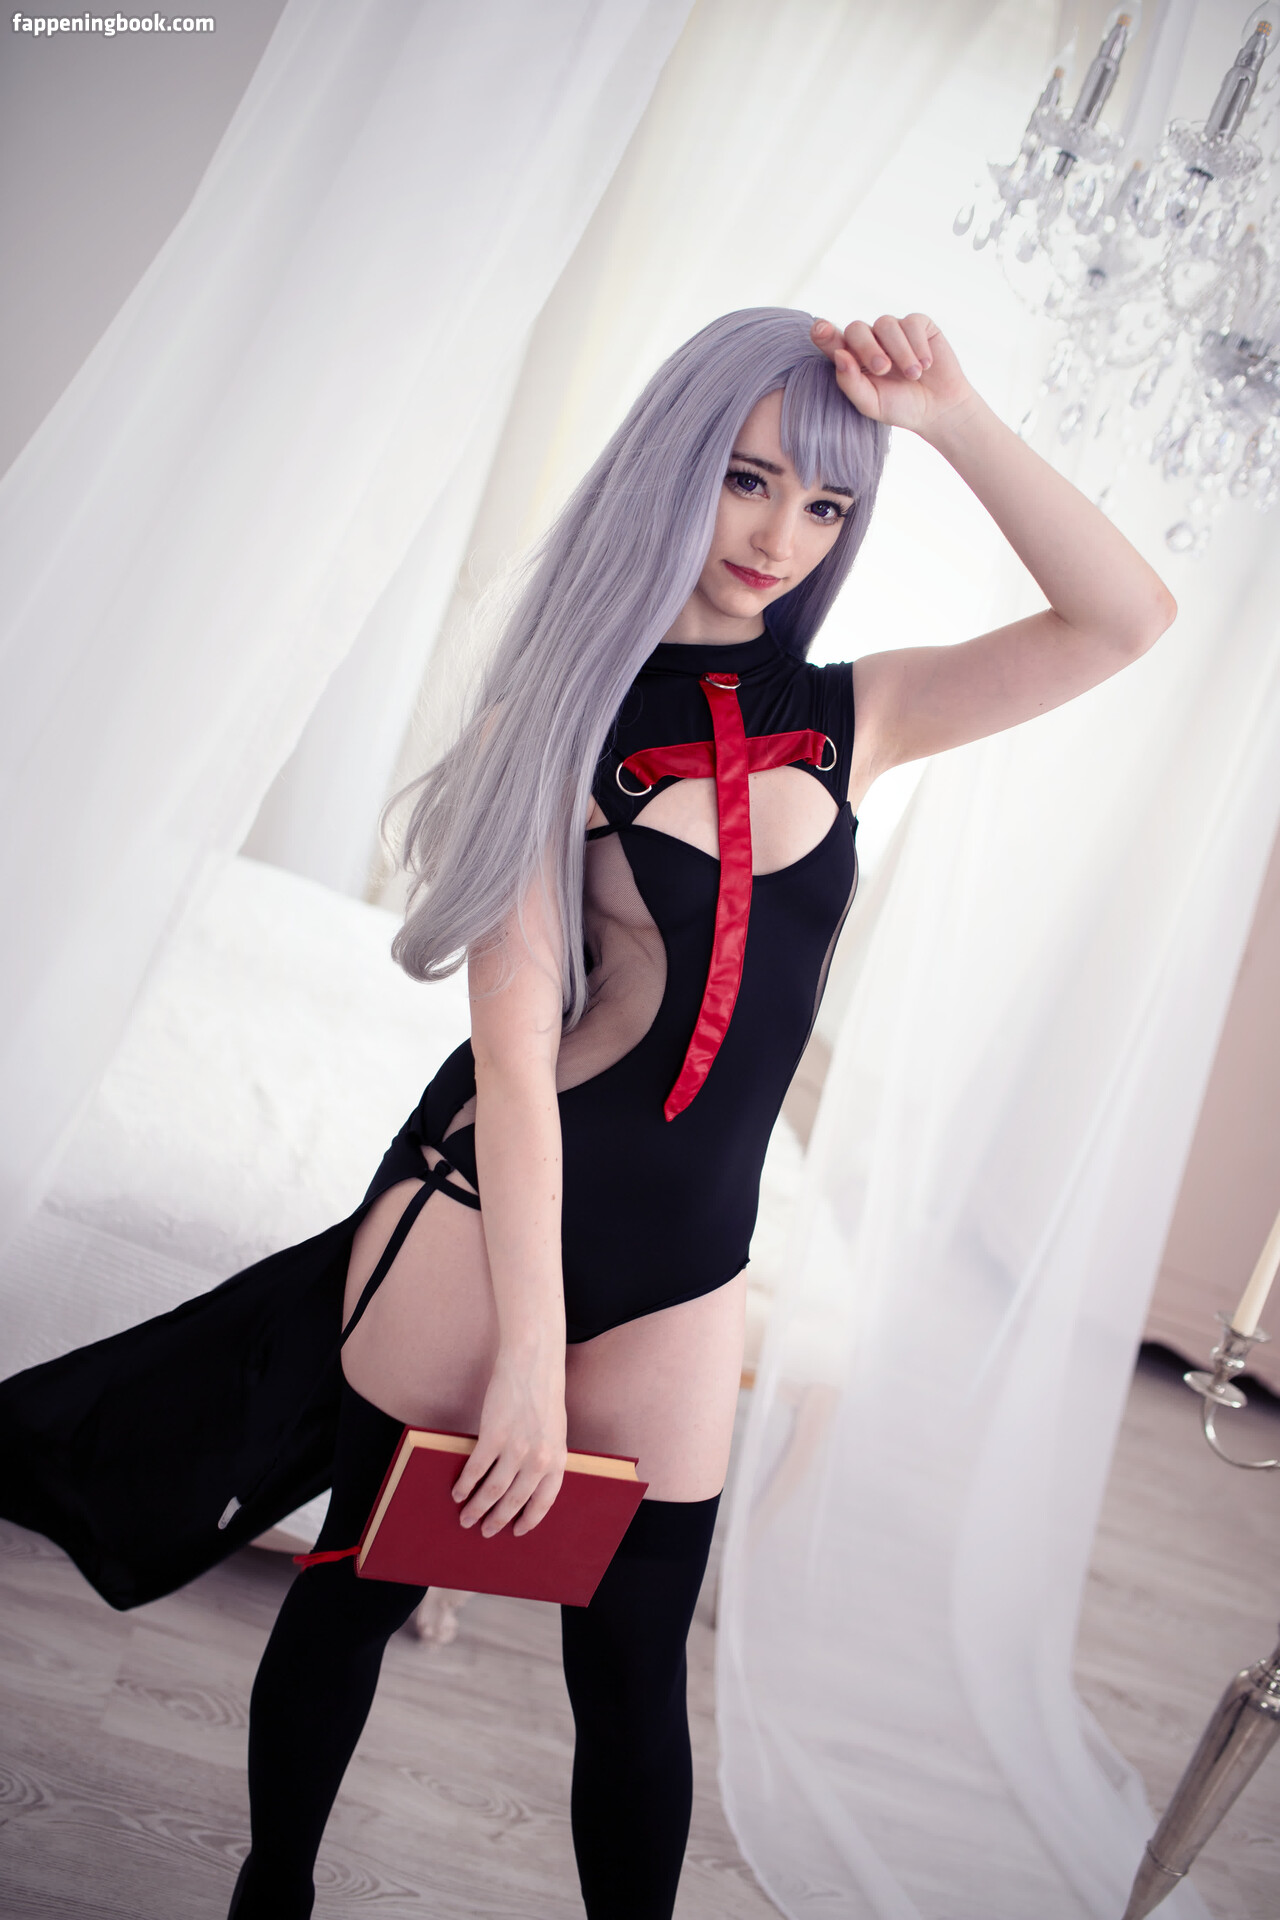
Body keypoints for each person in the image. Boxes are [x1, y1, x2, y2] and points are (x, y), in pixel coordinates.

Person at [0, 306, 1176, 1919]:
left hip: (691, 1265)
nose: (779, 536)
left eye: (825, 502)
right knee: (362, 1591)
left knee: (631, 1677)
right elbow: (510, 1064)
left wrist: (954, 415)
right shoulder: (551, 725)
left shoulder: (864, 713)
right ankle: (272, 1894)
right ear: (678, 468)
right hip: (488, 1219)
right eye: (748, 479)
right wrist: (527, 1364)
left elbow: (1126, 618)